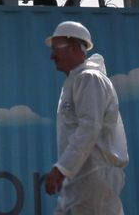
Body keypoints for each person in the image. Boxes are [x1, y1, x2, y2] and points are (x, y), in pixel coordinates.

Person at [43, 20, 129, 215]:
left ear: (74, 48)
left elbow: (89, 127)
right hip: (83, 177)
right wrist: (65, 170)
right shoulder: (77, 81)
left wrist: (62, 168)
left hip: (93, 177)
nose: (52, 55)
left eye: (56, 48)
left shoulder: (89, 78)